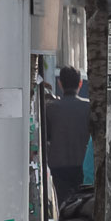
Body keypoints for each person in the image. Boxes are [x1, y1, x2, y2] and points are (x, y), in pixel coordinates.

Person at [43, 67, 93, 211]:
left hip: (59, 165)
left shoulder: (50, 108)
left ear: (60, 83)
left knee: (63, 205)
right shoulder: (88, 107)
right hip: (83, 164)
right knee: (84, 206)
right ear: (80, 83)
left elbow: (47, 137)